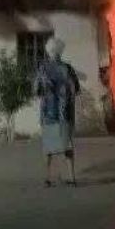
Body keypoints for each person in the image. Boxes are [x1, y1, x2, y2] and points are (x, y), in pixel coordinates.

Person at [35, 36, 81, 187]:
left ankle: (47, 178)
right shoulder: (67, 69)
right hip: (64, 114)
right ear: (61, 51)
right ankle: (71, 177)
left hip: (48, 114)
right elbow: (76, 90)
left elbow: (37, 91)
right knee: (67, 145)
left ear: (48, 51)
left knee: (48, 147)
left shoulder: (42, 69)